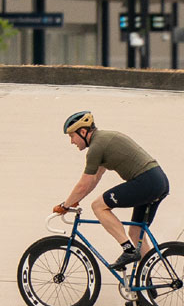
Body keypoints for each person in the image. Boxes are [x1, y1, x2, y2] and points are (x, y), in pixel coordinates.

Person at [55, 111, 170, 271]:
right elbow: (94, 179)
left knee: (98, 206)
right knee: (136, 233)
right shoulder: (104, 139)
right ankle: (148, 279)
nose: (71, 142)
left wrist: (65, 205)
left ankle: (128, 250)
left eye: (72, 136)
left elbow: (84, 184)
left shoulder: (96, 147)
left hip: (146, 181)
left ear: (83, 132)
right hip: (158, 181)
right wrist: (76, 200)